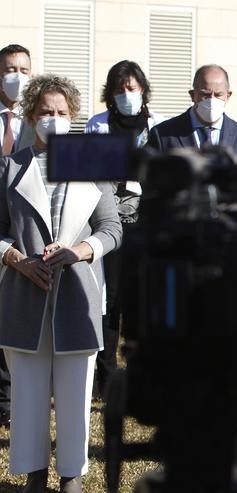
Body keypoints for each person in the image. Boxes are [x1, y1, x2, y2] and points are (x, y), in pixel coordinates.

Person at [0, 74, 122, 493]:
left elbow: (112, 227)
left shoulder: (93, 162)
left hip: (77, 296)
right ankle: (35, 473)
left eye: (61, 113)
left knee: (75, 395)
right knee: (29, 392)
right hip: (24, 293)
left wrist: (80, 250)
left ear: (73, 116)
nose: (53, 119)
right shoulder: (10, 166)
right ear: (32, 117)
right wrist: (16, 259)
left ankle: (70, 475)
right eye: (45, 113)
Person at [85, 60, 164, 399]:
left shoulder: (157, 127)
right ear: (110, 94)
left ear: (143, 90)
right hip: (109, 223)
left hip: (147, 223)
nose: (126, 95)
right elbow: (88, 172)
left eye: (132, 88)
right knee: (111, 299)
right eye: (120, 90)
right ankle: (107, 375)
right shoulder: (97, 125)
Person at [0, 43, 35, 428]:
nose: (17, 77)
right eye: (10, 69)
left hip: (20, 233)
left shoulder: (40, 121)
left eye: (24, 69)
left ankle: (9, 403)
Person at [147, 64, 237, 164]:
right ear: (192, 95)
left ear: (227, 96)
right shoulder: (163, 134)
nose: (211, 100)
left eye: (218, 94)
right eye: (205, 94)